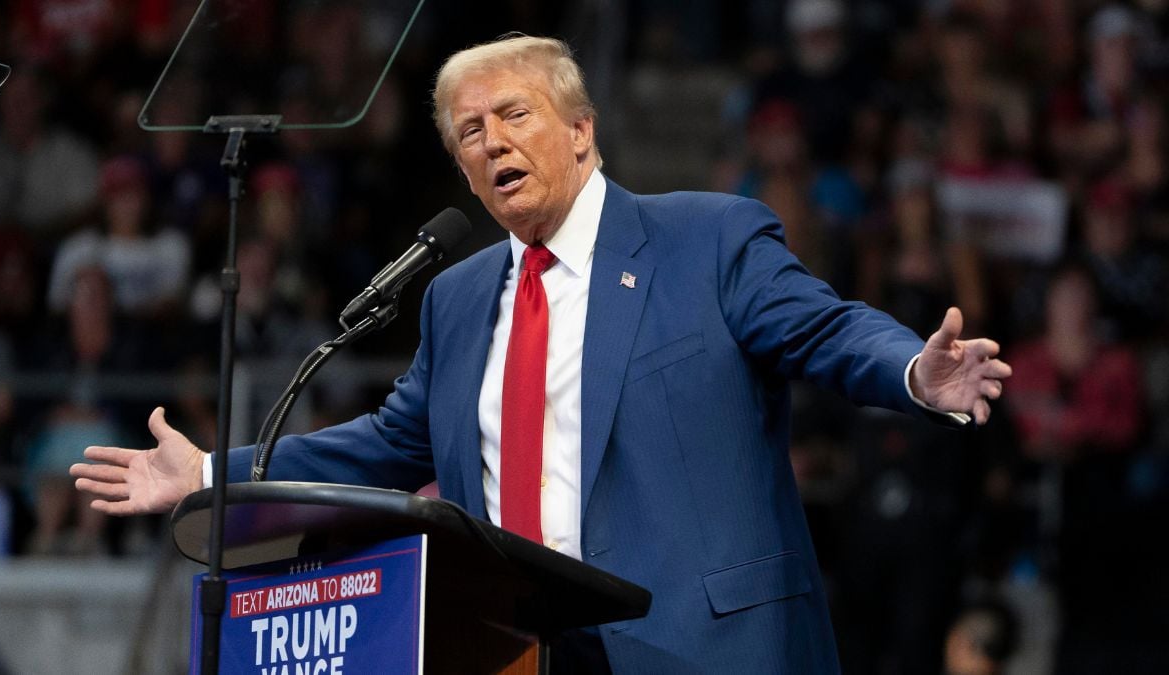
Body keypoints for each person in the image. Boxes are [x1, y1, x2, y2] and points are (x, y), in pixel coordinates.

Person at [72, 35, 1011, 672]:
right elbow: (386, 441)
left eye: (513, 115)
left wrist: (911, 371)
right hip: (521, 653)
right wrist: (209, 472)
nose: (492, 144)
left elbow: (828, 328)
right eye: (469, 134)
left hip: (699, 647)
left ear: (581, 130)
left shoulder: (706, 240)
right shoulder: (457, 295)